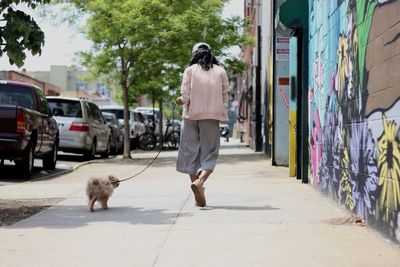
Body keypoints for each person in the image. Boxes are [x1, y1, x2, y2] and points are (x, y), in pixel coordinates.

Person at [176, 42, 229, 207]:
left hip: (191, 116)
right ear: (210, 54)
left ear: (194, 55)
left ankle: (197, 190)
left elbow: (185, 95)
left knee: (190, 152)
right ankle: (200, 183)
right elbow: (225, 95)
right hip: (212, 116)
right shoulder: (220, 71)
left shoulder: (189, 70)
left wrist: (181, 100)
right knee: (210, 152)